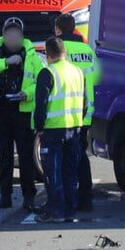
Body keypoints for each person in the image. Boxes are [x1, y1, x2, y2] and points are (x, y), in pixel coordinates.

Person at [0, 17, 43, 210]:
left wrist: (27, 94)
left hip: (22, 111)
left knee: (25, 157)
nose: (13, 39)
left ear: (22, 36)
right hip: (1, 111)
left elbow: (41, 82)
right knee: (4, 156)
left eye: (17, 35)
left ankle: (28, 197)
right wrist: (5, 62)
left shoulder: (32, 55)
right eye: (9, 35)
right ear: (4, 35)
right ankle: (5, 196)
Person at [33, 37, 87, 224]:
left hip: (53, 130)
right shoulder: (78, 72)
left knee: (52, 172)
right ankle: (69, 209)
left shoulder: (47, 73)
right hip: (74, 128)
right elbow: (85, 103)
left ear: (47, 54)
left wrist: (39, 128)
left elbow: (41, 104)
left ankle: (56, 210)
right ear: (65, 53)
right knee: (70, 171)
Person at [53, 13, 98, 212]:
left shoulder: (61, 49)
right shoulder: (86, 49)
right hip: (86, 112)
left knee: (68, 158)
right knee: (81, 155)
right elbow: (96, 77)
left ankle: (71, 199)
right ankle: (85, 198)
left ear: (58, 30)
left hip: (68, 112)